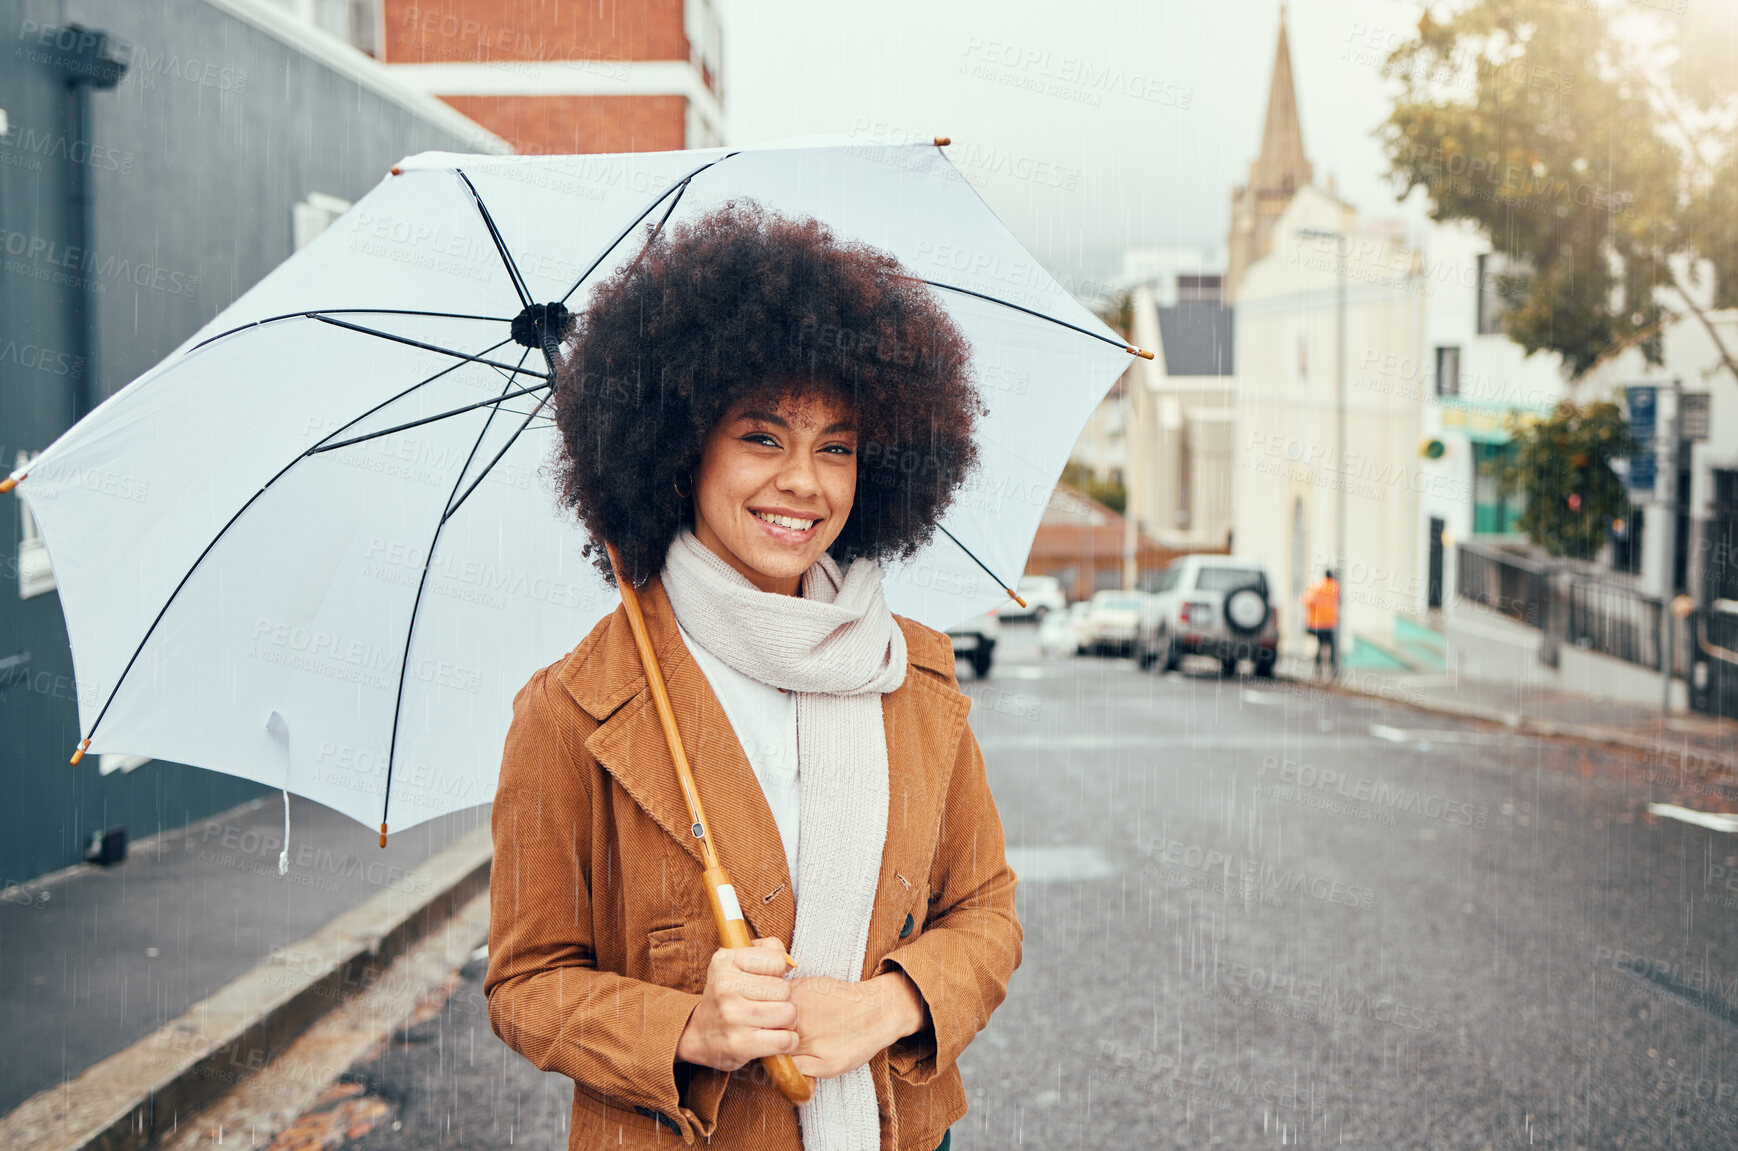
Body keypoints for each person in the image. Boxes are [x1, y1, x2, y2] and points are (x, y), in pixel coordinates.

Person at [484, 201, 1022, 1151]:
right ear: (681, 446)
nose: (805, 484)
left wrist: (893, 1002)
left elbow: (985, 912)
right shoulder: (571, 709)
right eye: (763, 438)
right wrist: (688, 1026)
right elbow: (526, 984)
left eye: (837, 447)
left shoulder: (915, 676)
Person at [1302, 568, 1340, 677]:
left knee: (1320, 645)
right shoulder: (1335, 587)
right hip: (1330, 623)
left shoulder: (1318, 586)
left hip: (1318, 623)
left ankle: (1318, 670)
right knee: (1332, 646)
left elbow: (1306, 601)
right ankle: (1333, 671)